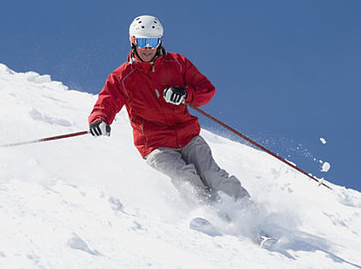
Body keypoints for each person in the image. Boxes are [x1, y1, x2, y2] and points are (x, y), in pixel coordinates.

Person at [88, 15, 250, 204]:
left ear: (160, 42)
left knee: (213, 176)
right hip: (156, 145)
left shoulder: (177, 63)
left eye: (152, 41)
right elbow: (106, 101)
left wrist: (185, 94)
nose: (147, 48)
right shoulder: (122, 77)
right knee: (187, 178)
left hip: (188, 136)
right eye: (142, 41)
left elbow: (206, 90)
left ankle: (250, 214)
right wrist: (99, 120)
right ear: (133, 41)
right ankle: (212, 216)